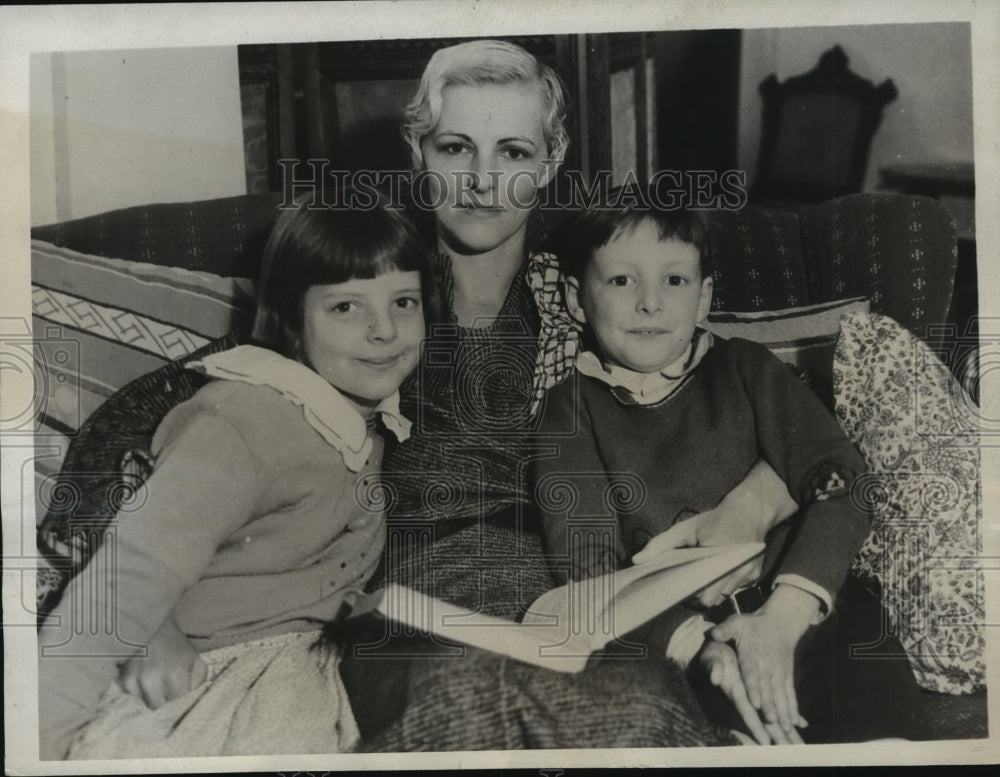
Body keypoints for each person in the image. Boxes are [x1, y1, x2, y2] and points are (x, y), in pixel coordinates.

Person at [115, 39, 801, 750]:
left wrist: (751, 502)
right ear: (418, 156)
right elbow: (148, 425)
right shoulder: (370, 293)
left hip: (570, 605)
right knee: (463, 707)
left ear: (550, 162)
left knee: (640, 714)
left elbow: (772, 410)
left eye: (511, 152)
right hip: (402, 611)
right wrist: (146, 618)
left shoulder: (590, 306)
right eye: (454, 148)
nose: (481, 179)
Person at [37, 193, 430, 759]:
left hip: (297, 672)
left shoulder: (371, 422)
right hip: (205, 685)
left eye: (404, 302)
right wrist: (40, 746)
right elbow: (123, 581)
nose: (384, 331)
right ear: (292, 318)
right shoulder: (245, 420)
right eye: (345, 307)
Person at [534, 194, 928, 744]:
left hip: (808, 612)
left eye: (674, 281)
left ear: (704, 299)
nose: (651, 303)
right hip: (687, 642)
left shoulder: (745, 368)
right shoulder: (570, 409)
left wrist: (788, 612)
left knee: (877, 710)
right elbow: (588, 568)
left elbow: (839, 475)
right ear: (577, 299)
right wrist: (698, 645)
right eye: (622, 281)